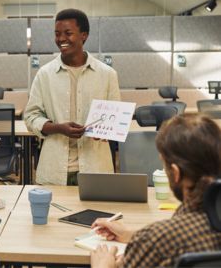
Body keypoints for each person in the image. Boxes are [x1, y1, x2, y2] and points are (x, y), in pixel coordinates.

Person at [91, 114, 221, 268]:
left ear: (176, 172)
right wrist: (132, 235)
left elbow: (165, 241)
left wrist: (103, 266)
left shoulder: (157, 241)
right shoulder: (165, 237)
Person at [24, 8, 120, 185]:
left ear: (84, 35)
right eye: (57, 34)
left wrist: (106, 130)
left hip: (96, 168)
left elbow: (115, 117)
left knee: (97, 213)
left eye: (68, 33)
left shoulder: (107, 74)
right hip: (55, 169)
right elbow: (31, 117)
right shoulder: (45, 74)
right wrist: (59, 128)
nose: (61, 39)